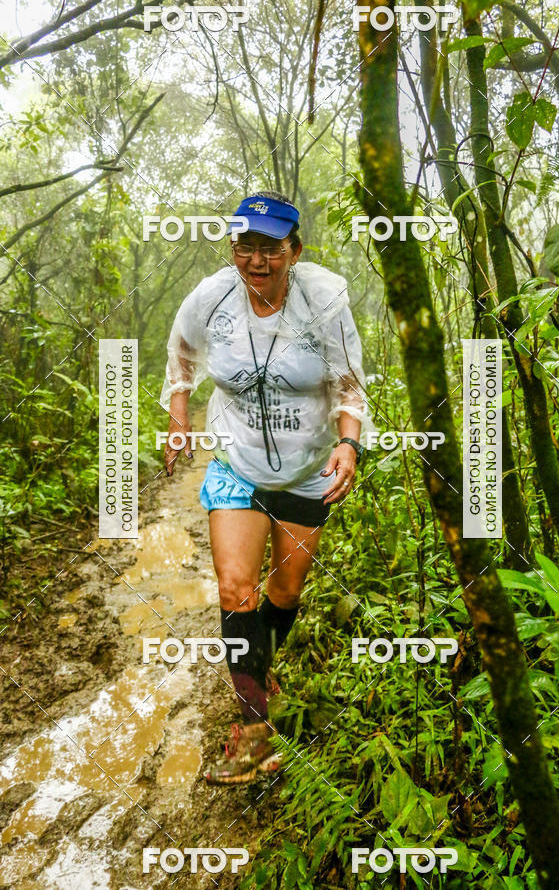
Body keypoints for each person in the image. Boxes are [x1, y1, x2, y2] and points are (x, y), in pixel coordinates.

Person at [160, 190, 370, 784]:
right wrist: (179, 418)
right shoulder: (211, 298)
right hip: (238, 462)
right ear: (234, 249)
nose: (257, 260)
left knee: (285, 587)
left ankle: (259, 664)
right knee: (236, 588)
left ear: (294, 250)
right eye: (245, 246)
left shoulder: (323, 301)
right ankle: (254, 727)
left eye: (270, 248)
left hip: (307, 467)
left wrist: (348, 444)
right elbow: (181, 355)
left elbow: (348, 382)